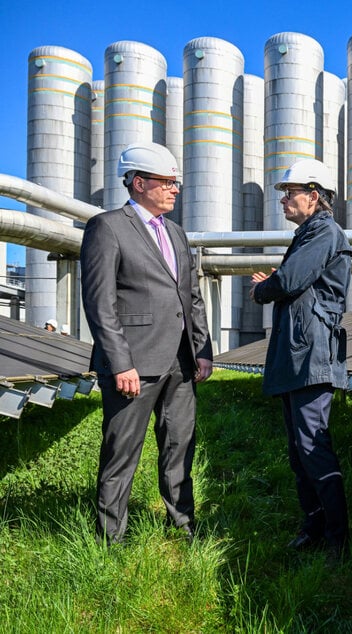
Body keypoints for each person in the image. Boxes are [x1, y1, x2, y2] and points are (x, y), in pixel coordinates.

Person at [80, 141, 213, 546]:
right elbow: (99, 302)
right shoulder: (107, 227)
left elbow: (191, 297)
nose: (175, 189)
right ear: (139, 183)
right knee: (122, 452)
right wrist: (121, 363)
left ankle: (183, 524)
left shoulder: (175, 231)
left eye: (176, 183)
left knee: (179, 445)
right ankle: (110, 537)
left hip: (181, 363)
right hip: (134, 363)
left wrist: (202, 350)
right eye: (167, 182)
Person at [249, 158, 352, 561]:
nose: (283, 201)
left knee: (314, 447)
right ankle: (313, 527)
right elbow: (292, 279)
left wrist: (264, 289)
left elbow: (289, 281)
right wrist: (277, 281)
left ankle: (337, 541)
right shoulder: (310, 234)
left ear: (313, 195)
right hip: (299, 354)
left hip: (311, 356)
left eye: (289, 193)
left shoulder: (324, 232)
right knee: (299, 450)